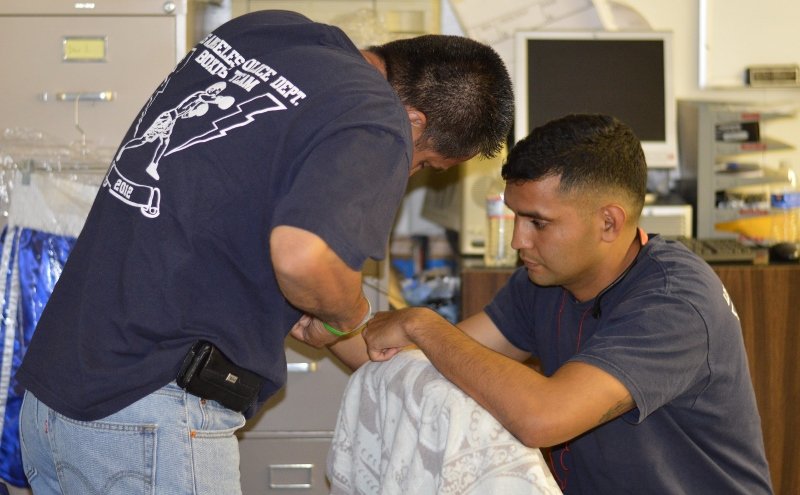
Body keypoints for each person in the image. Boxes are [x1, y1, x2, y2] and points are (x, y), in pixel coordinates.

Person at [15, 9, 513, 494]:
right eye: (423, 163)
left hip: (60, 393)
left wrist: (306, 301)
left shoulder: (268, 31)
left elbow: (224, 199)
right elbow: (304, 258)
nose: (408, 173)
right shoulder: (380, 117)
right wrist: (345, 312)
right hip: (146, 413)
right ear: (413, 121)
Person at [354, 114, 774, 494]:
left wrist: (423, 324)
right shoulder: (544, 280)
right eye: (516, 217)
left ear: (608, 222)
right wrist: (335, 319)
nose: (518, 241)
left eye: (538, 222)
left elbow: (542, 418)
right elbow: (416, 359)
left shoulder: (674, 302)